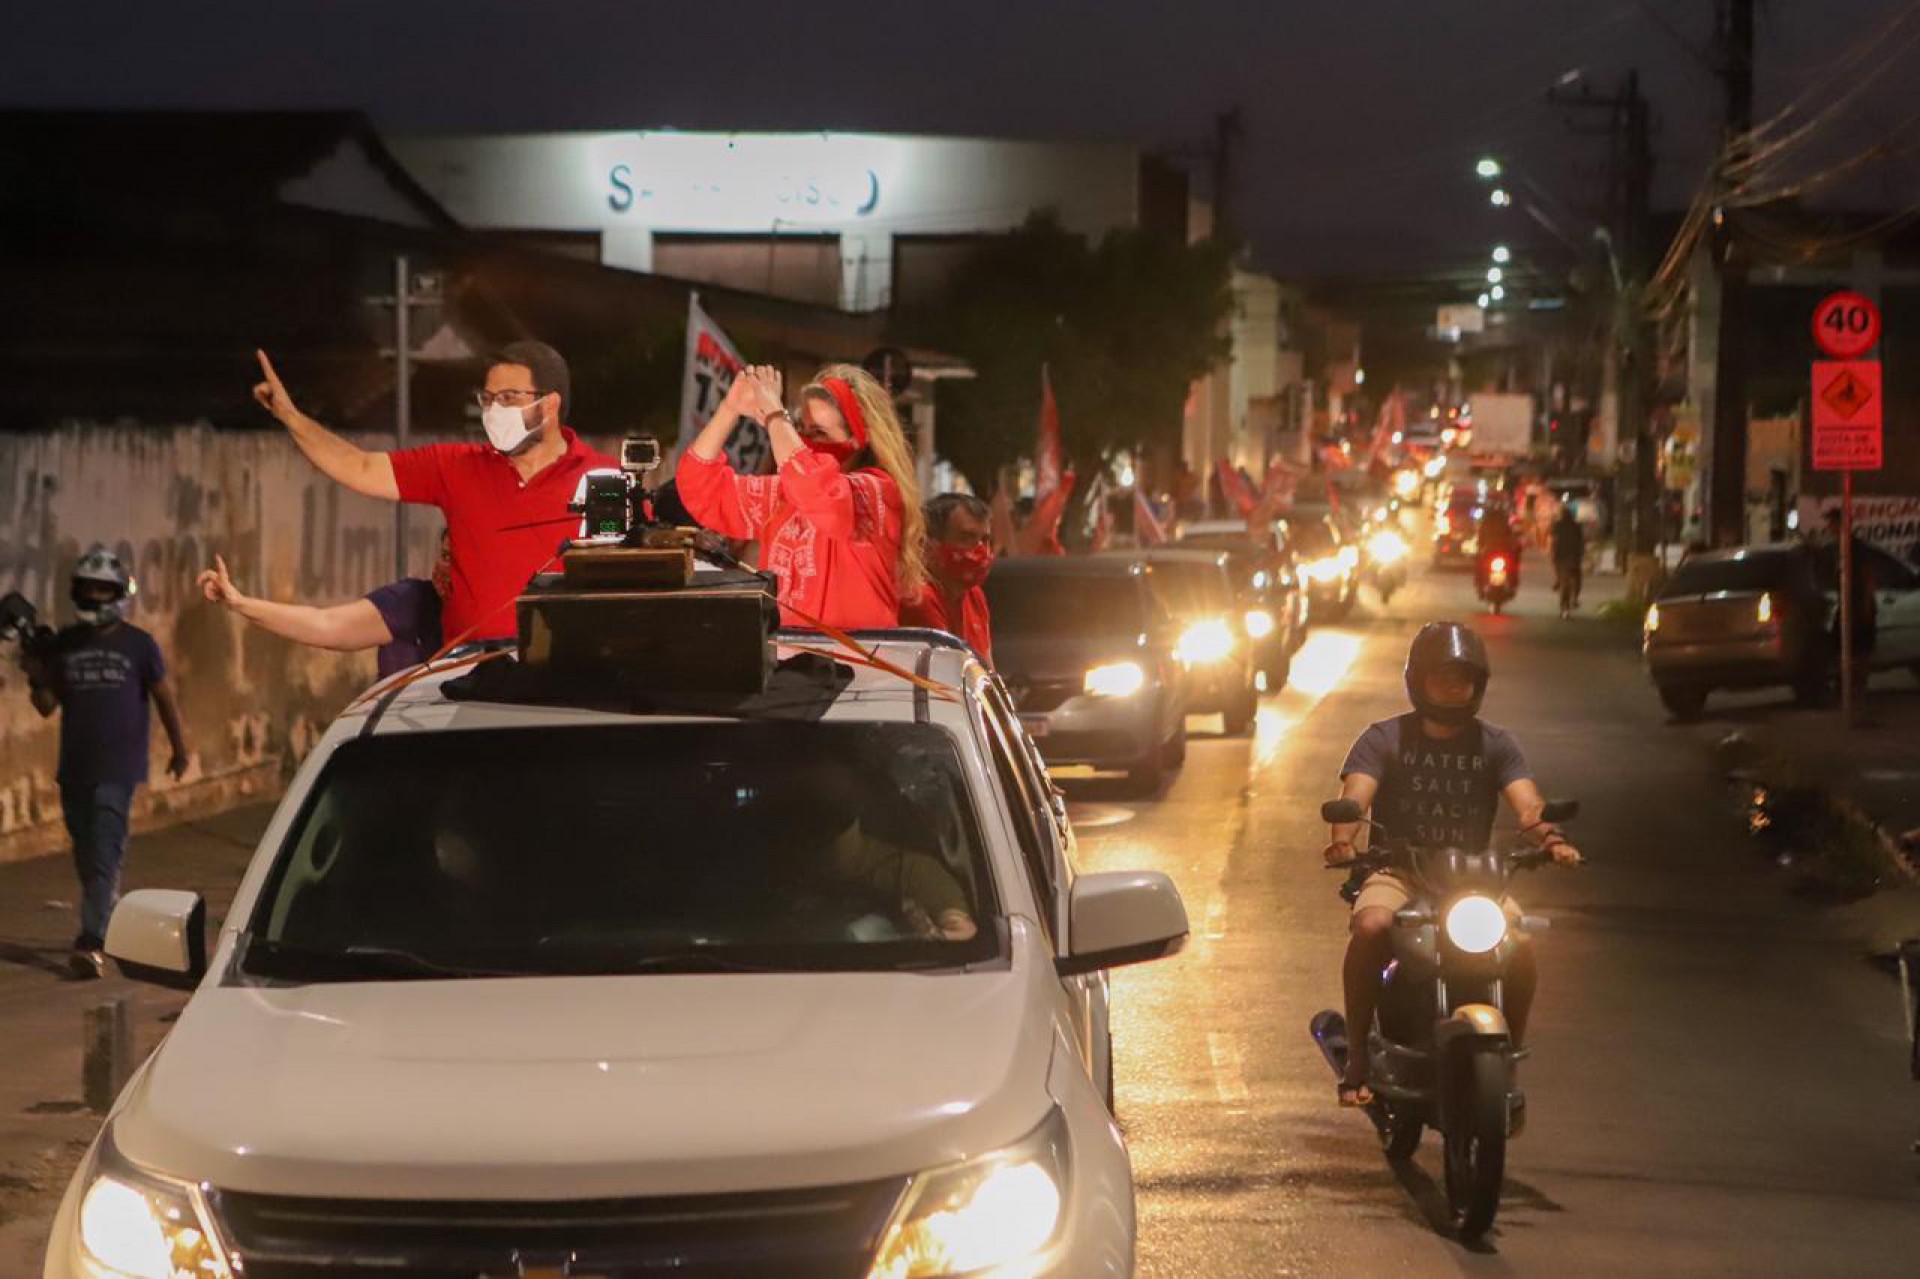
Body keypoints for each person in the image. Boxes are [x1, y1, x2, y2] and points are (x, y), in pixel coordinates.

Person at [1322, 622, 1582, 1106]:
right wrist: (1344, 839)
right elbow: (1355, 795)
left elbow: (1528, 805)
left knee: (1520, 945)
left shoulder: (1497, 744)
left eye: (1462, 678)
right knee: (1373, 926)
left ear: (1477, 684)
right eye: (1441, 676)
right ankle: (1357, 1057)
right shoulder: (1384, 738)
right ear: (1417, 680)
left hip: (1472, 882)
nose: (1452, 687)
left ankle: (1506, 1059)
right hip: (1398, 871)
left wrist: (1551, 838)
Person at [252, 341, 614, 644]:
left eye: (508, 397)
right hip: (471, 678)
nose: (494, 410)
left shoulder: (605, 478)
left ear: (549, 405)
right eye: (488, 399)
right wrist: (290, 416)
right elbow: (360, 468)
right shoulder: (456, 467)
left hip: (567, 679)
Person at [20, 547, 190, 979]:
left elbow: (163, 697)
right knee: (85, 851)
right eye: (89, 588)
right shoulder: (66, 644)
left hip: (119, 766)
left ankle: (92, 940)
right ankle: (106, 921)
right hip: (74, 766)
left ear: (117, 593)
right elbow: (45, 706)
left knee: (105, 851)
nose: (95, 595)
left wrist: (179, 746)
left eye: (103, 589)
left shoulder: (138, 644)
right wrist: (36, 674)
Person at [676, 363, 924, 630]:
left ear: (859, 440)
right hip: (790, 659)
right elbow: (699, 486)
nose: (805, 441)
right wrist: (729, 409)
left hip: (859, 663)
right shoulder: (787, 491)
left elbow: (823, 497)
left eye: (819, 433)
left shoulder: (877, 490)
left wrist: (774, 416)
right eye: (801, 429)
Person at [196, 531, 453, 677]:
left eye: (458, 558)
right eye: (444, 556)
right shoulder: (411, 603)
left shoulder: (491, 622)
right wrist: (240, 603)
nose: (446, 567)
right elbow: (326, 624)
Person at [901, 493, 995, 664]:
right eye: (966, 538)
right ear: (929, 546)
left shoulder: (975, 596)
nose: (981, 550)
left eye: (985, 540)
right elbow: (948, 674)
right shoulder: (919, 598)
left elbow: (987, 675)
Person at [1550, 504, 1586, 616]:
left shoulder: (1557, 525)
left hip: (1563, 557)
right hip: (1571, 557)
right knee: (1575, 578)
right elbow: (1581, 541)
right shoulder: (1576, 526)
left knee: (1565, 577)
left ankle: (1569, 597)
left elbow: (1553, 539)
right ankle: (1573, 598)